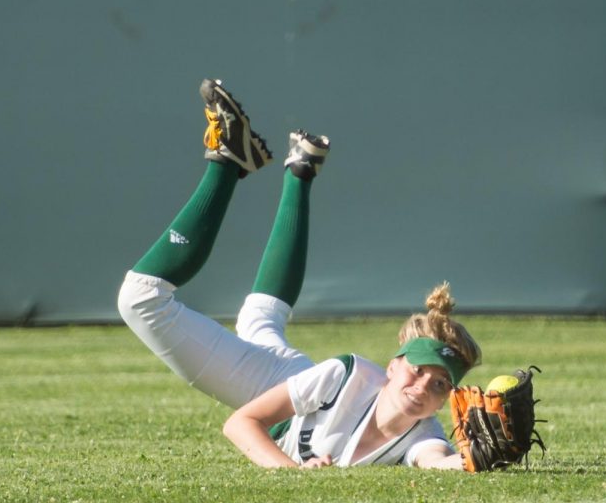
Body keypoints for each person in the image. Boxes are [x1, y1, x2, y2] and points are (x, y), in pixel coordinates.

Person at [117, 79, 481, 470]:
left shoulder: (424, 433)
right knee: (142, 299)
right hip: (278, 386)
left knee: (259, 317)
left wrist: (476, 459)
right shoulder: (349, 374)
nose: (422, 386)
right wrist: (294, 475)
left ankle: (300, 170)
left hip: (300, 383)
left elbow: (437, 460)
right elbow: (242, 424)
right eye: (417, 370)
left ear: (446, 399)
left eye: (439, 383)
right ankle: (227, 163)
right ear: (392, 366)